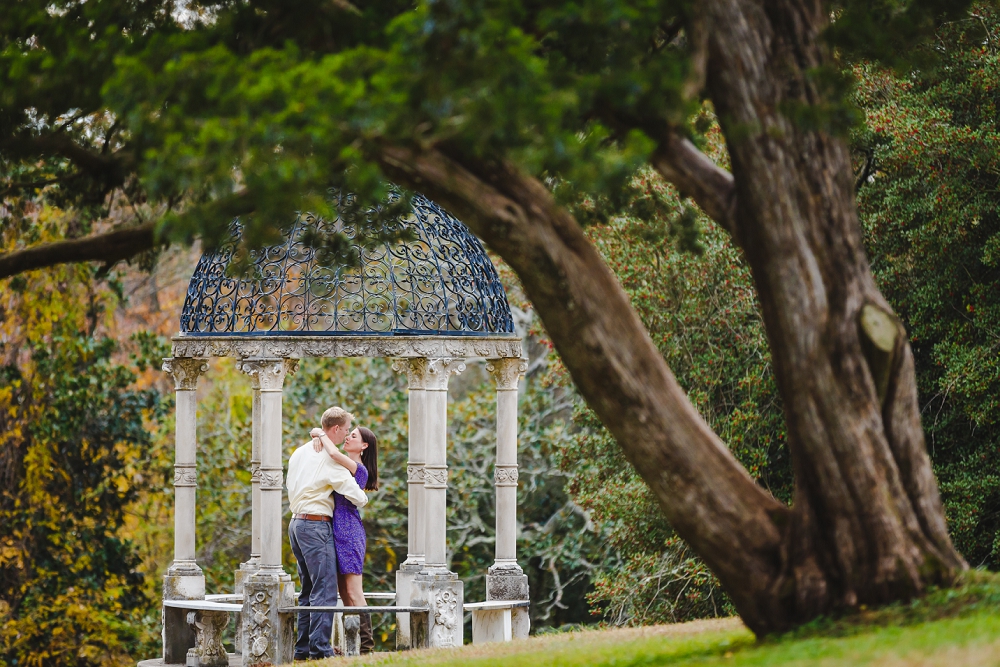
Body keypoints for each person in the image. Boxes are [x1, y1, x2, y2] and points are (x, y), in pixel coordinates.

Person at [286, 407, 368, 660]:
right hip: (315, 525)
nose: (345, 436)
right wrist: (362, 496)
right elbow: (357, 495)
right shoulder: (330, 460)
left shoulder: (299, 452)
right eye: (345, 430)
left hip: (295, 525)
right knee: (325, 590)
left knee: (308, 591)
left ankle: (302, 649)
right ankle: (320, 650)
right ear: (334, 429)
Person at [310, 425, 379, 654]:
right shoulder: (340, 465)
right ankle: (352, 647)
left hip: (349, 532)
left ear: (364, 445)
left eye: (354, 435)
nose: (348, 437)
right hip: (334, 530)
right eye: (348, 434)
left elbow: (334, 453)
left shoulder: (359, 469)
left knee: (354, 592)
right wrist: (316, 432)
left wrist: (320, 433)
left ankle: (368, 648)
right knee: (343, 594)